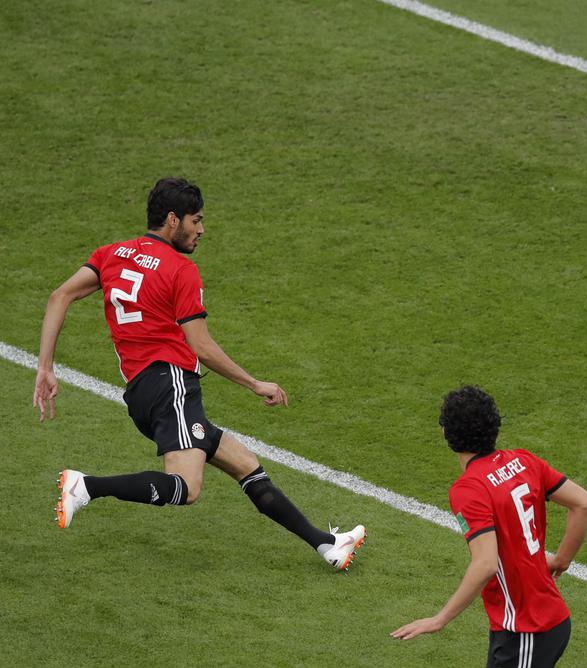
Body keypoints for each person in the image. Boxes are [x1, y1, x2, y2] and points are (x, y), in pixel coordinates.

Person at [34, 177, 365, 570]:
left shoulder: (113, 254)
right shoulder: (180, 269)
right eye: (197, 220)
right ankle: (86, 487)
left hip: (143, 391)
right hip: (171, 385)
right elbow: (202, 347)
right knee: (186, 489)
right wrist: (255, 383)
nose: (201, 229)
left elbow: (60, 295)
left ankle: (327, 545)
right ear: (173, 220)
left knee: (244, 464)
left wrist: (45, 366)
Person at [391, 386, 587, 668]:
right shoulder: (524, 461)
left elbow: (485, 564)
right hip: (526, 624)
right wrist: (562, 560)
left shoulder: (468, 490)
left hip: (527, 629)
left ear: (447, 432)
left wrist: (440, 619)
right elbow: (584, 504)